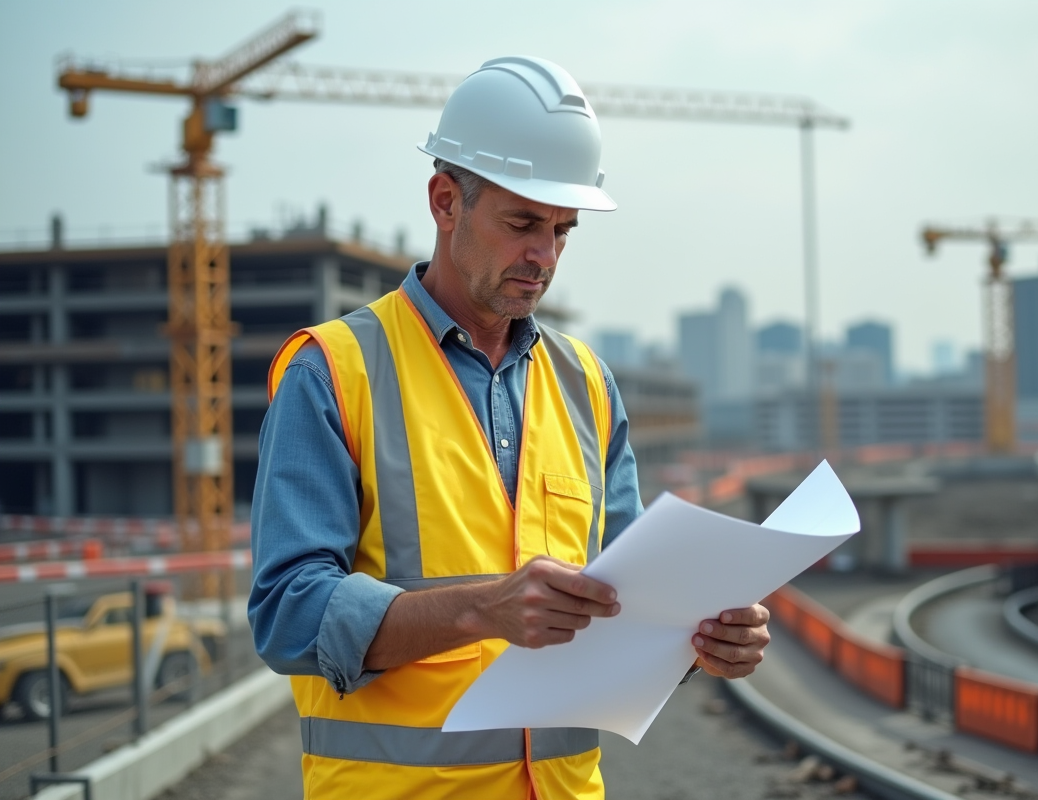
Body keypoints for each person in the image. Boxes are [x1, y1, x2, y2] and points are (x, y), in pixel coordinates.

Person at [249, 55, 770, 800]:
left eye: (563, 230)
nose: (544, 256)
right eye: (522, 222)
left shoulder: (587, 385)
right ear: (444, 201)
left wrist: (702, 639)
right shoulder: (334, 371)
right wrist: (482, 610)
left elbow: (631, 607)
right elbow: (287, 615)